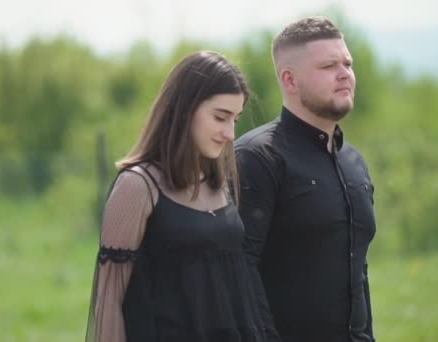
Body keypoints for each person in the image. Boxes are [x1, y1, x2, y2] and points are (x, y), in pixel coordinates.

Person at [85, 50, 271, 341]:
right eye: (221, 117)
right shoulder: (137, 186)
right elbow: (110, 300)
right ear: (184, 110)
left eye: (235, 119)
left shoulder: (221, 184)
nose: (230, 133)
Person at [235, 16, 377, 342]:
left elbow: (358, 271)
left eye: (347, 63)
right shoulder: (257, 158)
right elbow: (240, 272)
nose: (344, 73)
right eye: (328, 66)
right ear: (290, 80)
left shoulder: (354, 162)